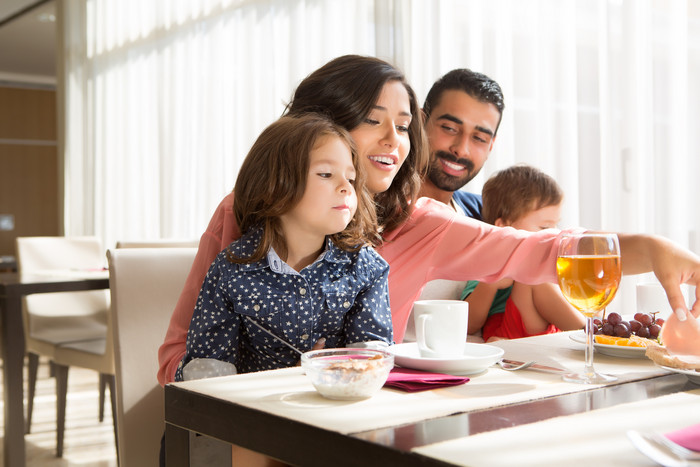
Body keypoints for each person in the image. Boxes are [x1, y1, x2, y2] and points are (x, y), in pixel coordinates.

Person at [158, 54, 700, 386]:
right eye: (373, 122)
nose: (396, 143)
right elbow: (175, 360)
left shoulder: (423, 223)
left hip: (349, 432)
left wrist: (652, 248)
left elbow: (535, 250)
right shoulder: (241, 212)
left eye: (402, 125)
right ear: (315, 128)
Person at [176, 114, 392, 380]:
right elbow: (207, 371)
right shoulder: (231, 270)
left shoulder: (366, 268)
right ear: (275, 185)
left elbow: (373, 361)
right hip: (255, 415)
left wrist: (328, 374)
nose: (346, 188)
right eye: (326, 174)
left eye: (351, 178)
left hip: (341, 410)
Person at [461, 165, 585, 341]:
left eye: (556, 225)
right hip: (506, 332)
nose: (555, 234)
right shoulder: (487, 262)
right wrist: (490, 284)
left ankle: (590, 334)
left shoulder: (550, 258)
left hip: (549, 331)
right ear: (505, 227)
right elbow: (469, 325)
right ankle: (591, 336)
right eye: (545, 227)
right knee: (531, 276)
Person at [418, 68, 505, 219]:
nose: (461, 150)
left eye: (479, 138)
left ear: (490, 146)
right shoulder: (372, 212)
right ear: (420, 122)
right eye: (449, 128)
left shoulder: (488, 216)